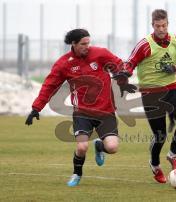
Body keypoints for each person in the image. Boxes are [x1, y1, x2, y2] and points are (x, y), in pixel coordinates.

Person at [25, 28, 136, 187]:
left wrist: (124, 73)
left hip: (106, 111)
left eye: (88, 43)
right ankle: (77, 174)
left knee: (112, 148)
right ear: (74, 44)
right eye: (83, 44)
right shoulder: (64, 64)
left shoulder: (100, 54)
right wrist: (36, 108)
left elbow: (119, 64)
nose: (87, 46)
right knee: (82, 146)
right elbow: (49, 86)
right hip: (82, 112)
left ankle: (99, 145)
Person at [115, 9, 176, 184]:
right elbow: (130, 62)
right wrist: (125, 73)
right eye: (158, 26)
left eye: (164, 25)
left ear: (168, 24)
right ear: (153, 25)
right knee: (160, 135)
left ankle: (173, 155)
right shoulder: (144, 44)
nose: (161, 29)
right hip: (151, 94)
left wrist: (175, 68)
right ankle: (155, 165)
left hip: (172, 91)